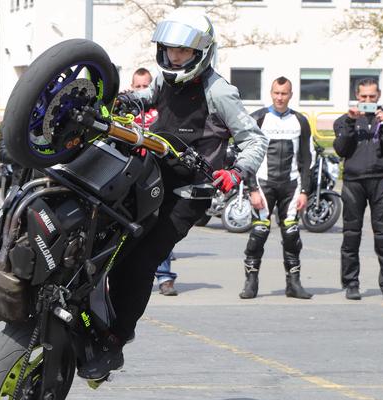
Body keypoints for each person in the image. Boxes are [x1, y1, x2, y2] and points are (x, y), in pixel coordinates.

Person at [78, 9, 268, 379]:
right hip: (151, 179)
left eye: (182, 51)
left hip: (189, 194)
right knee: (105, 244)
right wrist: (127, 101)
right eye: (169, 49)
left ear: (200, 52)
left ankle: (116, 340)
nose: (174, 57)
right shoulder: (165, 81)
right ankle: (87, 313)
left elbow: (254, 139)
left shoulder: (219, 91)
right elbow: (147, 96)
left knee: (141, 260)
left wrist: (235, 171)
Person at [239, 76, 313, 300]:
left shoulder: (300, 120)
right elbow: (247, 156)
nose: (280, 97)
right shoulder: (258, 118)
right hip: (263, 184)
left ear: (291, 95)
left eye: (284, 93)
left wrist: (305, 191)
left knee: (291, 234)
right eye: (276, 93)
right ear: (271, 93)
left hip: (291, 185)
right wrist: (251, 188)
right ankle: (251, 282)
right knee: (259, 232)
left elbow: (306, 158)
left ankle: (294, 284)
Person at [333, 79, 383, 302]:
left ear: (378, 95)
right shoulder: (344, 120)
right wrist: (351, 122)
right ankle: (351, 283)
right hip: (353, 182)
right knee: (351, 235)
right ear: (356, 97)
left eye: (371, 97)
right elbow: (341, 150)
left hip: (381, 181)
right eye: (363, 97)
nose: (367, 100)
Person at [131, 67, 177, 296]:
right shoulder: (127, 113)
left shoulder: (161, 111)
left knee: (160, 225)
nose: (141, 90)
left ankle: (165, 277)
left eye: (145, 86)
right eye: (137, 86)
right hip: (131, 176)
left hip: (157, 176)